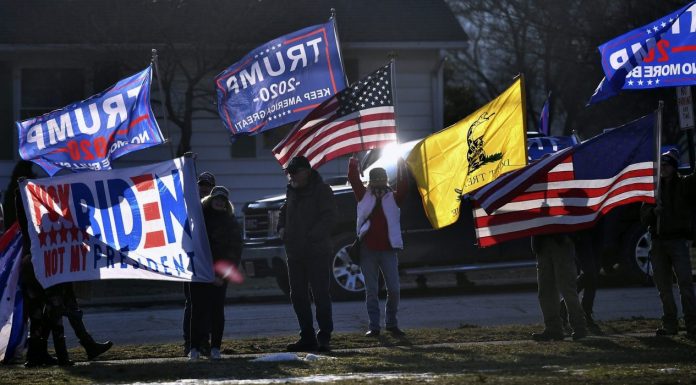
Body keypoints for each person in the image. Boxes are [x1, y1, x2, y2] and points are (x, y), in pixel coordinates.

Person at [277, 156, 337, 352]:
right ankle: (307, 335)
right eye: (290, 173)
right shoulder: (291, 191)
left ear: (307, 171)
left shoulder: (322, 190)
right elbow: (284, 211)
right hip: (294, 253)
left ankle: (324, 336)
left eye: (295, 172)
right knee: (298, 295)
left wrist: (311, 236)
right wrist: (281, 227)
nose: (292, 176)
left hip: (316, 252)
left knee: (320, 294)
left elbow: (329, 217)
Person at [347, 156, 408, 337]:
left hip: (389, 250)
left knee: (394, 289)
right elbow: (354, 179)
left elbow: (404, 184)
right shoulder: (363, 195)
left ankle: (391, 323)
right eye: (375, 182)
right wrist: (353, 162)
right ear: (370, 183)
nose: (379, 185)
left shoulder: (394, 197)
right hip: (368, 250)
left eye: (382, 180)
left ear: (387, 181)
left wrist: (401, 165)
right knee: (372, 290)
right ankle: (374, 326)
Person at [640, 149, 696, 337]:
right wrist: (652, 213)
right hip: (658, 241)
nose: (663, 169)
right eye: (661, 166)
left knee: (685, 283)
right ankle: (670, 323)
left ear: (674, 167)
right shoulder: (653, 189)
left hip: (678, 240)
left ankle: (692, 323)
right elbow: (643, 216)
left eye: (666, 165)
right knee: (663, 286)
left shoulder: (685, 185)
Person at [188, 186, 242, 360]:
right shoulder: (198, 220)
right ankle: (194, 347)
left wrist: (223, 276)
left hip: (219, 275)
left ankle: (215, 347)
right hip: (199, 272)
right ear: (210, 200)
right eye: (216, 198)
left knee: (216, 311)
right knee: (197, 311)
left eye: (223, 200)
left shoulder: (232, 223)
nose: (219, 202)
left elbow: (234, 252)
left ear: (226, 204)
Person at [183, 171, 217, 356]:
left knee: (208, 304)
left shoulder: (215, 207)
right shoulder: (189, 206)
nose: (204, 188)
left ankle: (204, 341)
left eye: (207, 185)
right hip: (192, 262)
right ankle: (190, 343)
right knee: (192, 304)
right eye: (202, 184)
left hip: (210, 262)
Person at [531, 232, 587, 341]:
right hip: (542, 241)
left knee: (566, 287)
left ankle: (579, 326)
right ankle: (553, 328)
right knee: (545, 290)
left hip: (560, 238)